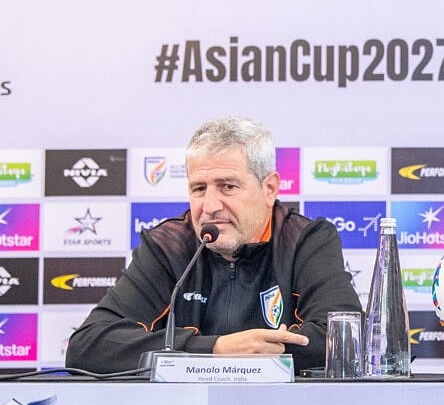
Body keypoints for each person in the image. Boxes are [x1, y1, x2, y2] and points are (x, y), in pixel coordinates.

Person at [66, 116, 362, 373]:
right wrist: (217, 349)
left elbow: (344, 338)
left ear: (269, 188)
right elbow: (88, 346)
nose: (210, 206)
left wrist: (260, 355)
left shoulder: (304, 240)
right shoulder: (167, 247)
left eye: (227, 186)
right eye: (199, 188)